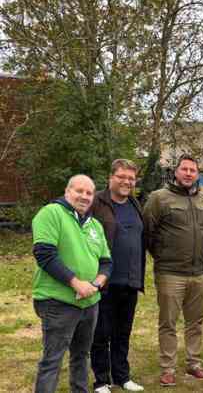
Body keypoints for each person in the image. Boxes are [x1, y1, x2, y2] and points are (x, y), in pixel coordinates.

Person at [32, 174, 112, 393]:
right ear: (67, 192)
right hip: (58, 301)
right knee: (52, 360)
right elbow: (44, 254)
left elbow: (106, 262)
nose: (84, 196)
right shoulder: (51, 213)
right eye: (79, 191)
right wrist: (77, 284)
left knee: (81, 355)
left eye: (89, 193)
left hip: (90, 302)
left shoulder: (95, 224)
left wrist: (95, 285)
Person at [143, 155, 203, 387]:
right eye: (185, 169)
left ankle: (193, 364)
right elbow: (148, 233)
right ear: (176, 172)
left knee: (195, 322)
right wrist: (161, 255)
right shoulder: (159, 199)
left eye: (193, 170)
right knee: (168, 322)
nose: (189, 173)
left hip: (199, 272)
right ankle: (168, 368)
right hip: (170, 272)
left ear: (198, 174)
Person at [90, 159, 145, 393]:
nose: (126, 182)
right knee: (101, 333)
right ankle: (101, 380)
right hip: (104, 281)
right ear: (111, 177)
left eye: (131, 178)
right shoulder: (96, 203)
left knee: (123, 333)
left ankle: (122, 376)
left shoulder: (135, 204)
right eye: (122, 176)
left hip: (130, 281)